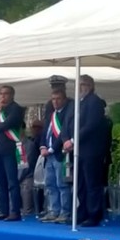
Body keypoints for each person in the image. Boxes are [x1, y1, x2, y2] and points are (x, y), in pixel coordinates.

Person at [75, 74, 112, 227]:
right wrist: (67, 138)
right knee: (81, 184)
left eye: (84, 85)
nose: (81, 88)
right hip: (80, 149)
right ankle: (82, 212)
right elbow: (71, 123)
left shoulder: (94, 102)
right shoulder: (80, 103)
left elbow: (91, 125)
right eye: (80, 85)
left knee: (92, 184)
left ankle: (94, 214)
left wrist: (73, 138)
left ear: (91, 86)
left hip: (91, 149)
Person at [0, 84, 26, 221]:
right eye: (1, 94)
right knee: (0, 181)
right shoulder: (0, 110)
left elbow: (6, 125)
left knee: (12, 181)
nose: (3, 96)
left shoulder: (16, 109)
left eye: (6, 93)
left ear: (12, 95)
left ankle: (15, 211)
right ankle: (2, 211)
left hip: (9, 149)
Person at [39, 86, 74, 224]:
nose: (55, 101)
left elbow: (62, 135)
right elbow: (44, 133)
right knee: (50, 184)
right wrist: (42, 147)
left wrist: (52, 149)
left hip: (60, 154)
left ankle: (64, 212)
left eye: (58, 99)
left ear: (64, 99)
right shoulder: (51, 115)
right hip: (48, 155)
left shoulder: (66, 114)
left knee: (62, 185)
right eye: (53, 99)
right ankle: (53, 211)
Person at [21, 120, 43, 217]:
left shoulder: (29, 145)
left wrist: (17, 178)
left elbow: (27, 164)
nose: (35, 129)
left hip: (27, 178)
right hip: (17, 178)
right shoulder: (14, 144)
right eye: (33, 127)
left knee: (27, 209)